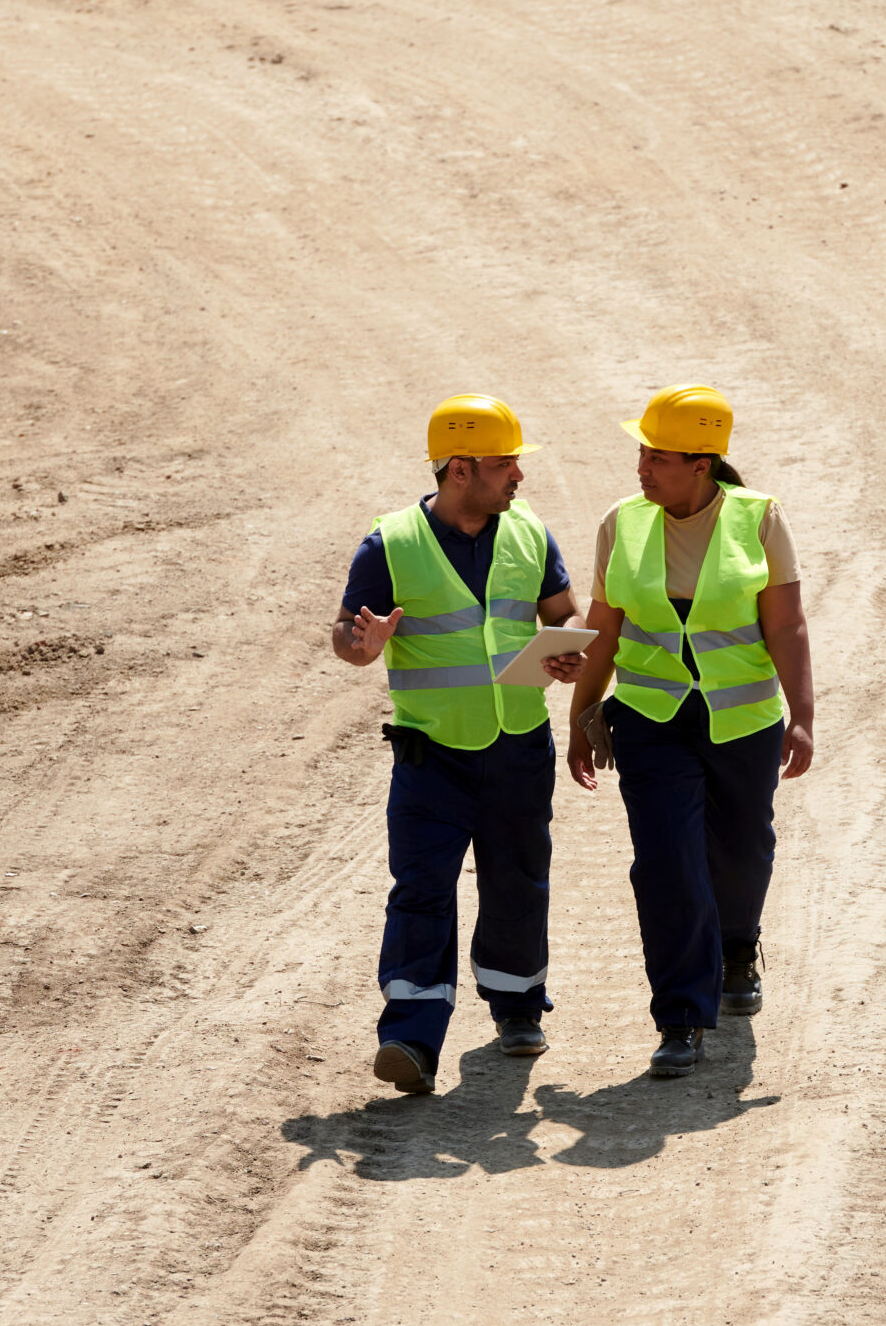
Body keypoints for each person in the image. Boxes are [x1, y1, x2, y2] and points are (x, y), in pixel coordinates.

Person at [332, 394, 587, 1095]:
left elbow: (564, 614)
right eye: (506, 464)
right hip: (431, 756)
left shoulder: (530, 534)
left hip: (517, 750)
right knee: (421, 892)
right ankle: (411, 1038)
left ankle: (517, 1005)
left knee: (517, 883)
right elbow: (344, 636)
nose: (518, 476)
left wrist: (570, 653)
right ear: (461, 469)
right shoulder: (390, 544)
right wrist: (364, 644)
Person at [563, 384, 815, 1078]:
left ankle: (738, 946)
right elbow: (605, 627)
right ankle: (679, 1016)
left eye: (659, 457)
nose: (642, 468)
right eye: (642, 452)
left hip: (743, 723)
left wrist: (804, 718)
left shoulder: (759, 520)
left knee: (741, 853)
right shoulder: (623, 522)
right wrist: (583, 714)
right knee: (667, 863)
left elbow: (786, 624)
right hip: (650, 721)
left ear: (701, 464)